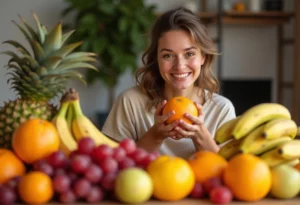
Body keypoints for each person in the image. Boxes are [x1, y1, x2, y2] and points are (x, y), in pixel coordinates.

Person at [102, 7, 236, 159]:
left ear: (203, 57)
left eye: (189, 54)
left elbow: (228, 173)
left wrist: (200, 135)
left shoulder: (221, 109)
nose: (179, 66)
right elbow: (113, 164)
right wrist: (155, 135)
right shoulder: (130, 102)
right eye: (168, 55)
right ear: (156, 59)